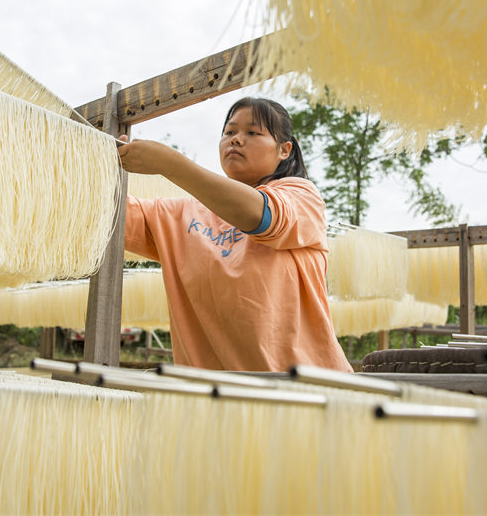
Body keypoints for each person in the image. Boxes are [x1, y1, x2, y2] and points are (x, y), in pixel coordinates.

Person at [117, 96, 352, 372]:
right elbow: (106, 211)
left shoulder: (301, 197)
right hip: (218, 404)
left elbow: (260, 217)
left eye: (253, 132)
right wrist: (92, 157)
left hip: (308, 395)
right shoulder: (180, 215)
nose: (236, 140)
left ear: (284, 150)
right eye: (229, 132)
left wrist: (171, 164)